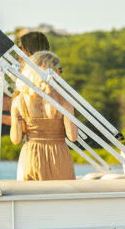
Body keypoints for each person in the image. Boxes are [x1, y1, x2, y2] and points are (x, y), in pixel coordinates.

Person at [10, 50, 77, 181]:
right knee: (61, 193)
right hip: (59, 155)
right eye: (59, 70)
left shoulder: (19, 101)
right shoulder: (64, 100)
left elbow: (15, 139)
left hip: (31, 156)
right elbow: (73, 137)